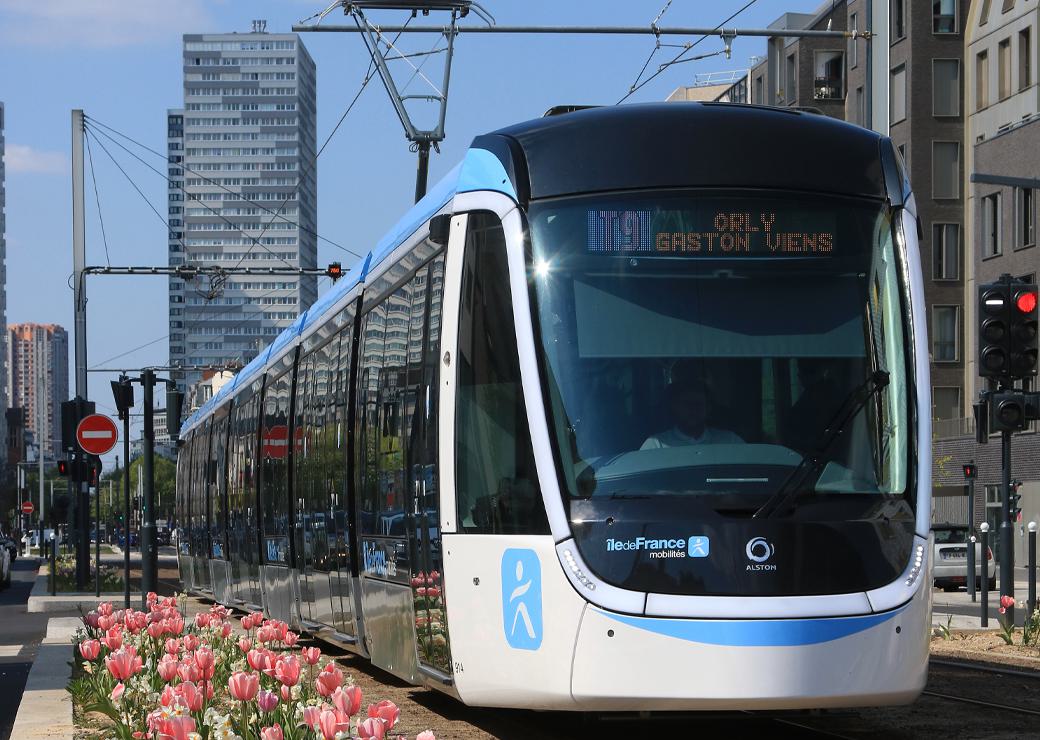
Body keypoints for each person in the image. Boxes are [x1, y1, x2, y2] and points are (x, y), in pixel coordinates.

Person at [641, 375, 743, 449]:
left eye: (698, 403)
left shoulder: (730, 441)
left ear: (708, 408)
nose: (693, 409)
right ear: (675, 407)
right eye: (686, 404)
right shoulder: (656, 445)